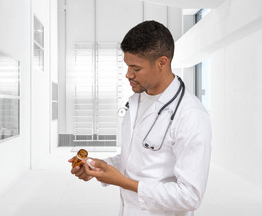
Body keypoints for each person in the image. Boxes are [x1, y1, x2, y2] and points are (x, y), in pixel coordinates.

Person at [68, 20, 212, 216]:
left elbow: (189, 196)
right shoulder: (137, 100)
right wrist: (101, 166)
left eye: (136, 68)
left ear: (162, 62)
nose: (128, 75)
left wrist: (122, 182)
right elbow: (137, 158)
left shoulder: (191, 115)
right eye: (127, 66)